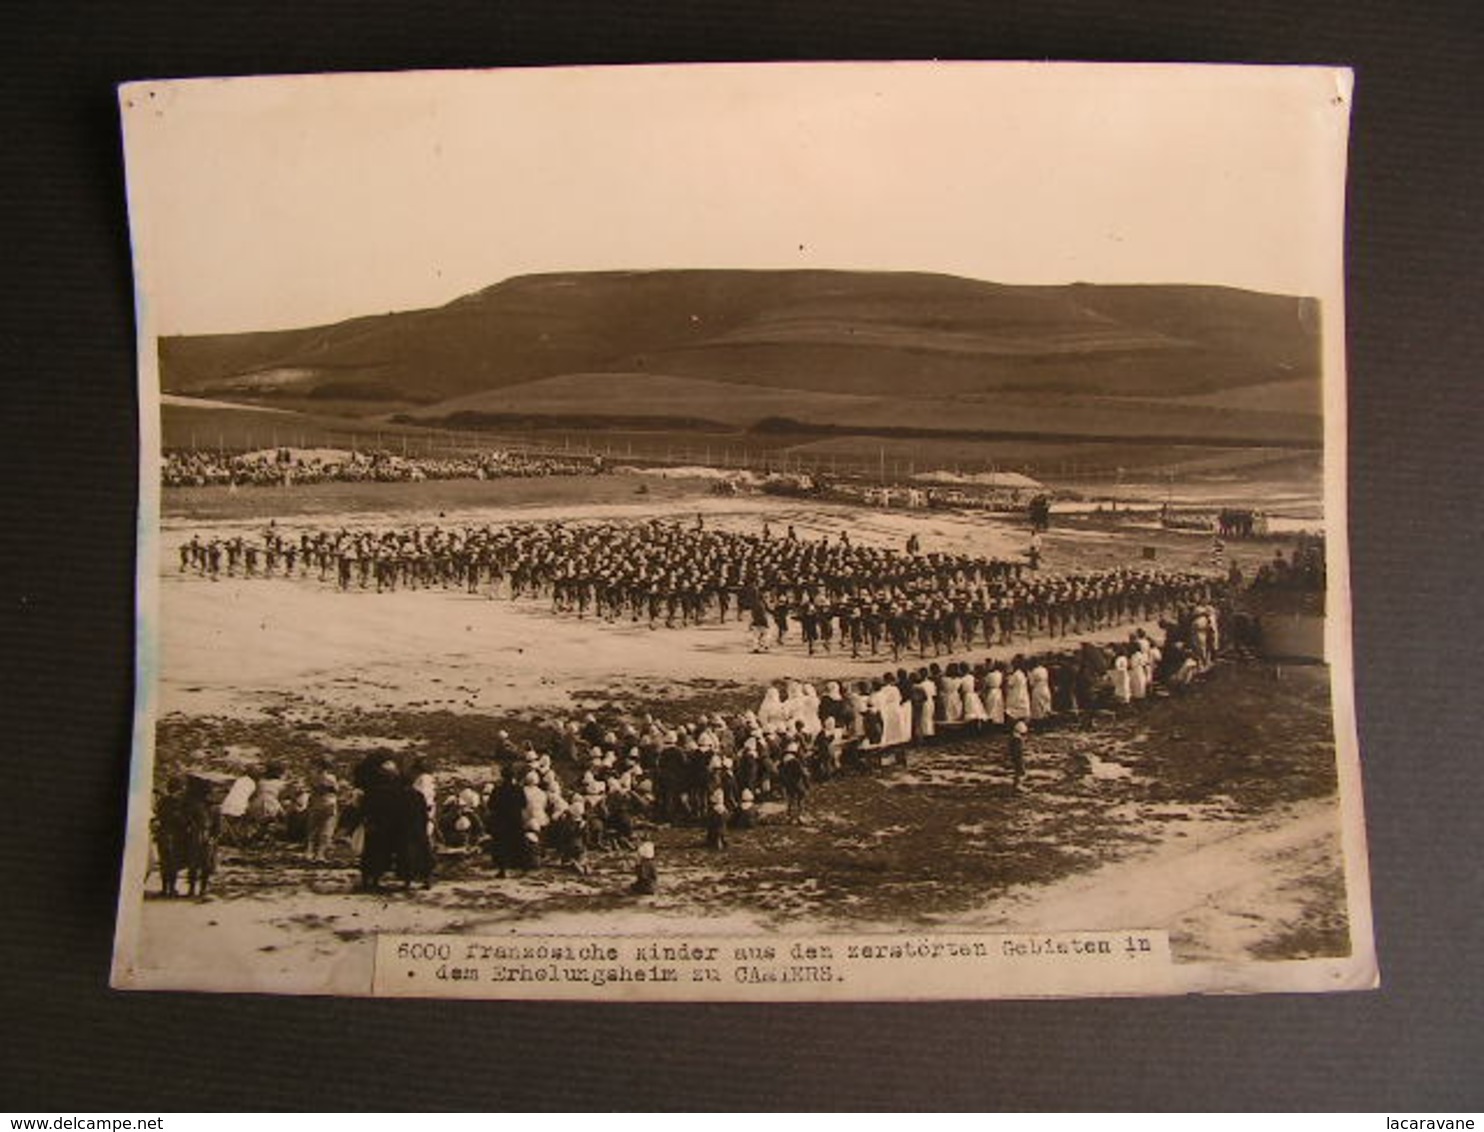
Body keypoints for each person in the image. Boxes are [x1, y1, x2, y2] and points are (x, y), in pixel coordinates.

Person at [1008, 721, 1028, 791]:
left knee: (1019, 771)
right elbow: (1017, 751)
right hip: (1018, 757)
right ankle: (1018, 785)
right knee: (1021, 772)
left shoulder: (1014, 739)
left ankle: (1017, 784)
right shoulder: (1017, 741)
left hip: (1018, 757)